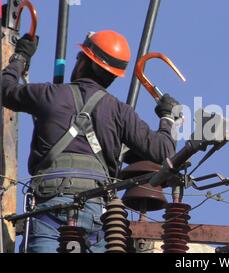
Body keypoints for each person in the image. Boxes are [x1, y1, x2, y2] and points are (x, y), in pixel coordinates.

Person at [1, 31, 181, 253]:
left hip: (50, 209)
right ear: (113, 76)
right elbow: (164, 150)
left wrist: (20, 57)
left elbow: (5, 90)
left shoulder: (50, 94)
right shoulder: (119, 112)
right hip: (97, 212)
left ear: (83, 61)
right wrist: (168, 117)